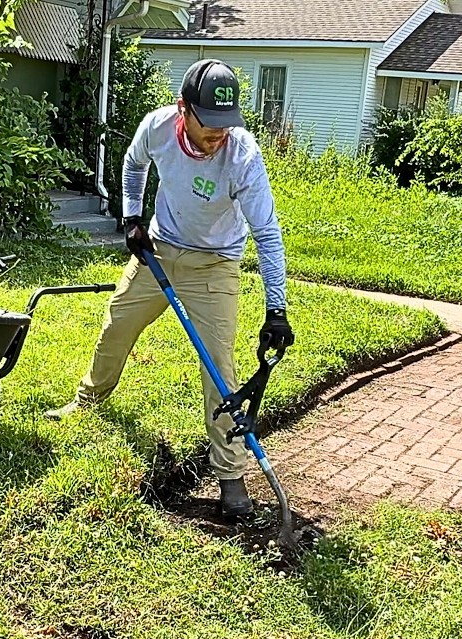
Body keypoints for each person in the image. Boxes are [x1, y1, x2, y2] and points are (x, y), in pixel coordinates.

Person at [45, 59, 294, 519]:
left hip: (214, 266)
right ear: (184, 109)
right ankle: (87, 401)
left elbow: (268, 233)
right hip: (158, 252)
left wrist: (276, 309)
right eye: (209, 122)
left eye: (227, 121)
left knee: (218, 367)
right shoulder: (158, 127)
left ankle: (231, 475)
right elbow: (134, 163)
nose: (219, 132)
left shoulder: (242, 155)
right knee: (118, 322)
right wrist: (134, 217)